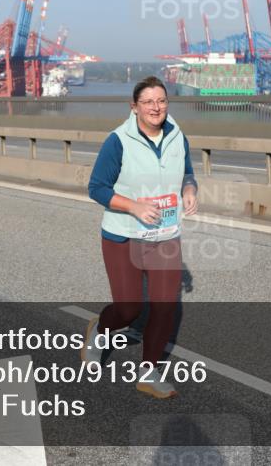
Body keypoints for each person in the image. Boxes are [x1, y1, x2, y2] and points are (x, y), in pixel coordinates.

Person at [85, 76, 198, 399]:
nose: (155, 107)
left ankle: (149, 372)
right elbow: (97, 188)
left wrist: (189, 190)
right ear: (134, 107)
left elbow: (187, 171)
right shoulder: (118, 141)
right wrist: (133, 206)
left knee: (165, 306)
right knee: (129, 309)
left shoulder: (177, 135)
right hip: (124, 235)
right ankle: (100, 330)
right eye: (147, 102)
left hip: (165, 235)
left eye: (161, 100)